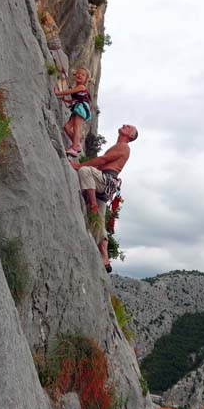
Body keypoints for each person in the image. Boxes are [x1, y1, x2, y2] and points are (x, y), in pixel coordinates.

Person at [70, 124, 138, 272]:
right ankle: (104, 257)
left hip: (105, 180)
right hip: (105, 185)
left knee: (85, 171)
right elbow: (102, 163)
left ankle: (93, 204)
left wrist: (78, 165)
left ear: (130, 136)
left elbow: (103, 161)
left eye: (128, 127)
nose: (124, 125)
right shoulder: (119, 146)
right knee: (99, 223)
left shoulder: (123, 147)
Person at [54, 67, 92, 157]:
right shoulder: (77, 87)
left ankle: (74, 148)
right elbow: (74, 98)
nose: (80, 75)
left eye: (83, 75)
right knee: (67, 127)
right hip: (78, 107)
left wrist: (58, 93)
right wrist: (66, 101)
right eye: (78, 73)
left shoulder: (81, 87)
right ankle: (77, 145)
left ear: (86, 79)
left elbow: (69, 91)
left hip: (82, 107)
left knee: (76, 127)